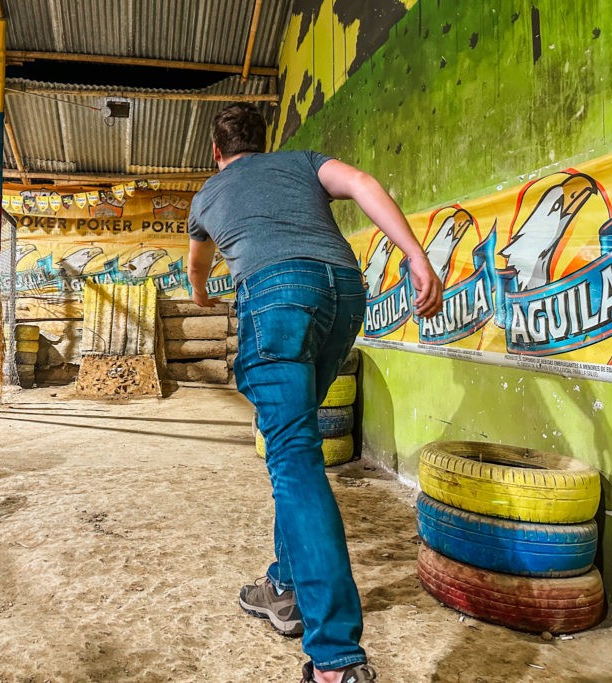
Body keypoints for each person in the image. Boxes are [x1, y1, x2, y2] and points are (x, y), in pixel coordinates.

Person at [187, 102, 443, 683]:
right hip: (343, 292)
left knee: (295, 461)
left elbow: (197, 264)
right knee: (295, 442)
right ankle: (284, 581)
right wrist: (415, 254)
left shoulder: (207, 195)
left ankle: (334, 657)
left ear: (216, 151)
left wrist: (202, 294)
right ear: (264, 142)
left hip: (276, 297)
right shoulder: (301, 162)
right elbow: (361, 183)